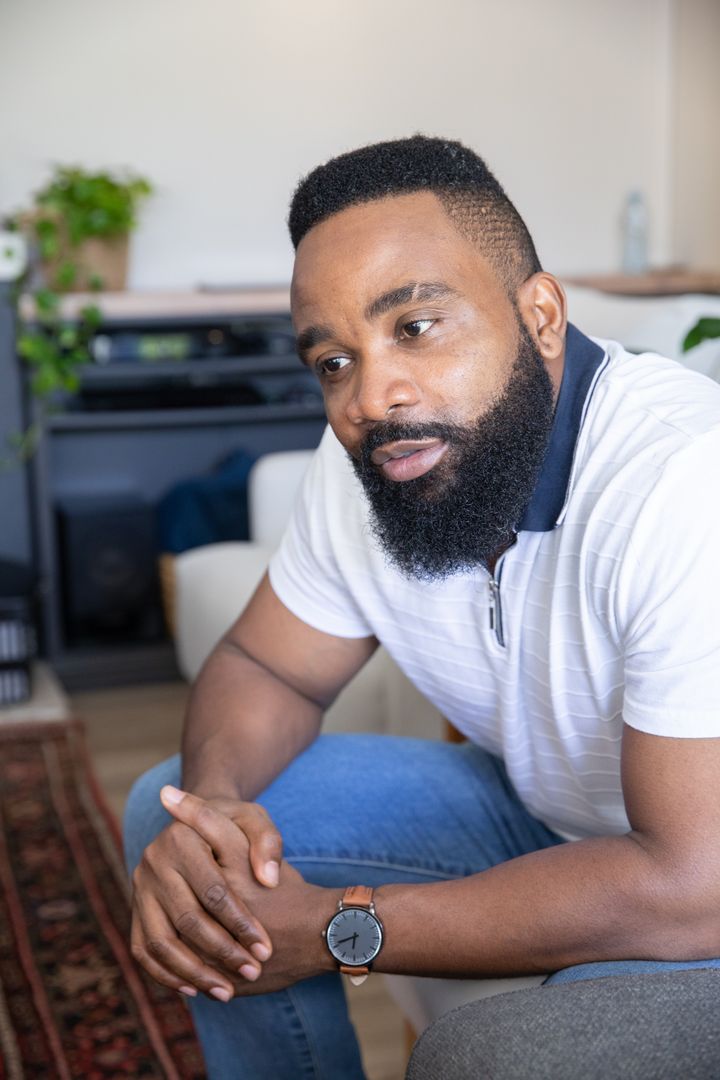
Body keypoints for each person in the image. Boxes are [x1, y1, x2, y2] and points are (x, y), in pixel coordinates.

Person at [124, 136, 720, 1079]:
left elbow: (694, 889)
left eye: (415, 327)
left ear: (542, 314)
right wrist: (220, 810)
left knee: (494, 1056)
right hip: (550, 818)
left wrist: (336, 928)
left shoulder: (685, 482)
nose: (374, 397)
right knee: (179, 828)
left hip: (698, 879)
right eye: (333, 360)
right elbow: (264, 665)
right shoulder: (369, 466)